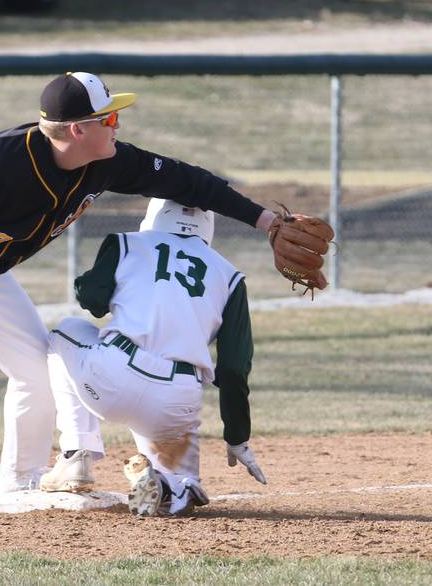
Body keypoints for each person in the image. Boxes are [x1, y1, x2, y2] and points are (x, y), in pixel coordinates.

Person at [0, 72, 278, 515]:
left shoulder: (105, 160)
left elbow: (188, 181)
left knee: (37, 360)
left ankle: (21, 479)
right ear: (79, 130)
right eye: (110, 118)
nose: (118, 125)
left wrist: (266, 221)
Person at [40, 198, 266, 516]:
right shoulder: (230, 276)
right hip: (176, 400)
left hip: (112, 377)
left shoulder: (126, 243)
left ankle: (76, 453)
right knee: (181, 485)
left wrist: (88, 283)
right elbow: (233, 368)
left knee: (66, 330)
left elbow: (92, 300)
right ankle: (174, 486)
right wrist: (237, 436)